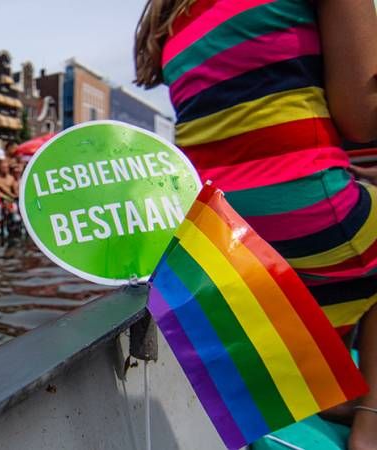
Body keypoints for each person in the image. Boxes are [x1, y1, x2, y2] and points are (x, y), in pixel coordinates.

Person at [134, 1, 377, 448]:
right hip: (306, 217)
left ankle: (318, 381)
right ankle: (372, 420)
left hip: (219, 237)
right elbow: (361, 118)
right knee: (354, 219)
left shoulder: (170, 18)